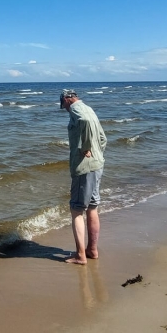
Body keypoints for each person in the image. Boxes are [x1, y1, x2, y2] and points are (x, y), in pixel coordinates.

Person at [60, 90, 107, 265]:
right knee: (92, 207)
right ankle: (92, 250)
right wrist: (97, 153)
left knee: (76, 210)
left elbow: (85, 122)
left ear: (67, 99)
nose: (65, 109)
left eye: (63, 105)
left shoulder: (76, 109)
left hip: (84, 168)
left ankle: (80, 255)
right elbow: (103, 138)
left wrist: (86, 147)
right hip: (97, 164)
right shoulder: (88, 108)